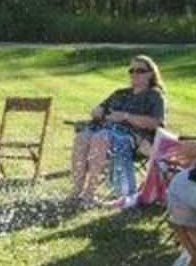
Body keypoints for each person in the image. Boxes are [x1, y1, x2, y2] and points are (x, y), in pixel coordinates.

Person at [70, 55, 166, 206]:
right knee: (81, 137)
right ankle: (76, 190)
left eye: (140, 70)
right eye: (131, 70)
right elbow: (98, 109)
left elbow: (155, 122)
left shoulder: (154, 95)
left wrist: (125, 116)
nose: (134, 74)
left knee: (100, 138)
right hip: (106, 128)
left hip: (133, 137)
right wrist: (98, 111)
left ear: (150, 74)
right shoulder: (120, 93)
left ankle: (89, 193)